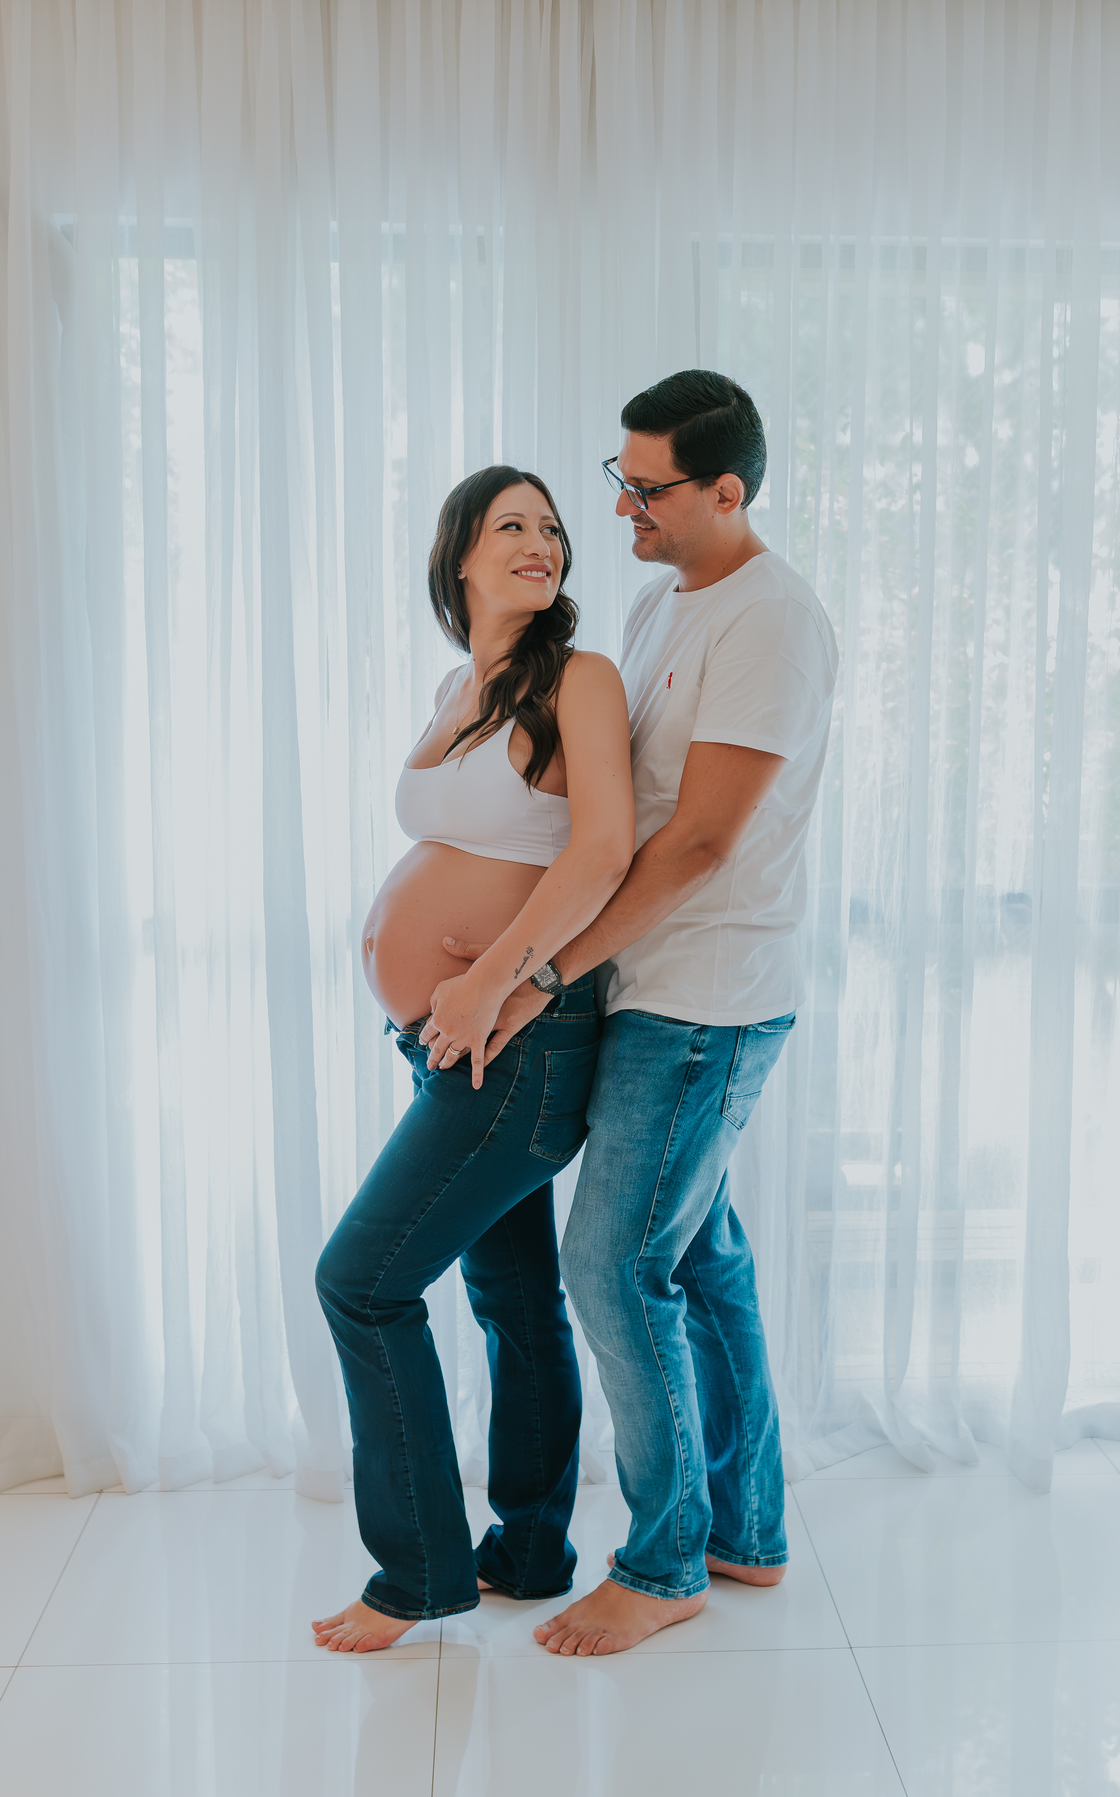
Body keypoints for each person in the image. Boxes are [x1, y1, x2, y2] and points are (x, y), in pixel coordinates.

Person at [433, 370, 838, 1655]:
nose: (619, 509)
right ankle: (748, 1533)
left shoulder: (771, 622)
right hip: (651, 990)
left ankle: (663, 1565)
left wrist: (537, 971)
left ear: (728, 490)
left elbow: (700, 843)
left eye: (645, 487)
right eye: (617, 478)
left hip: (704, 1003)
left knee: (612, 1268)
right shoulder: (669, 601)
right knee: (702, 1263)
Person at [312, 466, 633, 1653]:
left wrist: (491, 974)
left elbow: (600, 850)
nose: (541, 542)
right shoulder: (462, 686)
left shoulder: (580, 682)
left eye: (551, 528)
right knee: (509, 1297)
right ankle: (531, 1548)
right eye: (513, 527)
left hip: (523, 1044)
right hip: (444, 1045)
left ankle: (418, 1575)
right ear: (461, 557)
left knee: (362, 1283)